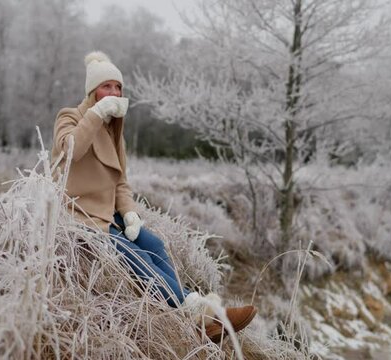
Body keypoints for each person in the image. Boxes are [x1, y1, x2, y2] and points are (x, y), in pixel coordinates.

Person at [50, 51, 257, 342]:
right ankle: (196, 312)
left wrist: (129, 212)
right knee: (133, 256)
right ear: (92, 90)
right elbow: (70, 150)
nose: (114, 93)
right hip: (78, 215)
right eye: (106, 86)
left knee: (153, 245)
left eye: (118, 87)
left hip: (108, 215)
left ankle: (192, 311)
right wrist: (95, 115)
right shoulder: (70, 116)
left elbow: (120, 179)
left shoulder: (113, 131)